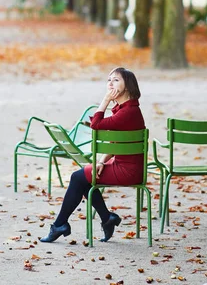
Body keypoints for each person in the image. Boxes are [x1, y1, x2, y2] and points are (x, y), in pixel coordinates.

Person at [40, 67, 145, 243]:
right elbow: (117, 143)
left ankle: (60, 224)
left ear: (128, 86)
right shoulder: (125, 110)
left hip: (127, 170)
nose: (110, 83)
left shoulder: (128, 112)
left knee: (77, 178)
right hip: (124, 166)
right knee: (85, 179)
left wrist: (104, 100)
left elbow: (96, 124)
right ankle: (106, 218)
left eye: (116, 80)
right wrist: (101, 162)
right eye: (109, 79)